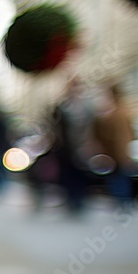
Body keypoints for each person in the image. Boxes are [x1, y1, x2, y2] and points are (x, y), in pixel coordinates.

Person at [49, 79, 95, 215]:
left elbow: (90, 128)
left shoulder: (86, 107)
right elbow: (55, 127)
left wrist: (89, 144)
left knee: (81, 176)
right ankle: (71, 200)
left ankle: (79, 201)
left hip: (81, 148)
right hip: (65, 150)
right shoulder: (61, 107)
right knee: (67, 176)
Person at [92, 84, 136, 201]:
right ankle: (124, 202)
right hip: (122, 153)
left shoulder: (114, 114)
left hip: (117, 154)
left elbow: (111, 136)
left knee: (119, 180)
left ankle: (122, 202)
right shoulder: (125, 112)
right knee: (121, 179)